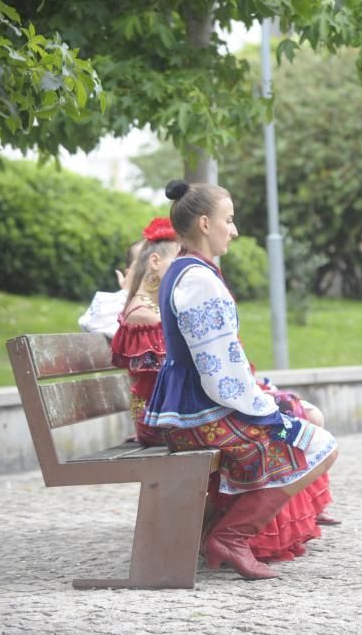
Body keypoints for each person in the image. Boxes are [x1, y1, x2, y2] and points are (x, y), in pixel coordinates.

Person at [144, 179, 338, 581]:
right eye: (228, 220)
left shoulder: (184, 270)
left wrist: (265, 400)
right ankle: (231, 537)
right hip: (201, 417)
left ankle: (225, 533)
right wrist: (267, 410)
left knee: (298, 426)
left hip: (190, 412)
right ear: (203, 223)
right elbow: (221, 377)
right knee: (320, 446)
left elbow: (219, 367)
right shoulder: (198, 281)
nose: (233, 230)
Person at [110, 218, 179, 447]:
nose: (183, 271)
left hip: (171, 415)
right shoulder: (143, 316)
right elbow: (163, 379)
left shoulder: (154, 310)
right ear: (155, 261)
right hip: (158, 422)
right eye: (177, 262)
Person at [78, 238, 144, 338]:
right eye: (144, 264)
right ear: (129, 273)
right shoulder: (110, 304)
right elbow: (92, 325)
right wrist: (127, 293)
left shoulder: (170, 302)